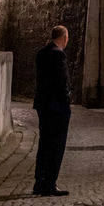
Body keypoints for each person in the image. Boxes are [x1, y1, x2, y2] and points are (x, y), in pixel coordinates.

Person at [33, 24, 71, 196]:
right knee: (56, 145)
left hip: (43, 105)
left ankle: (39, 182)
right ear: (64, 38)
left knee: (44, 144)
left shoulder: (41, 53)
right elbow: (62, 82)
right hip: (57, 107)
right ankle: (50, 183)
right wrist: (67, 99)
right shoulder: (59, 55)